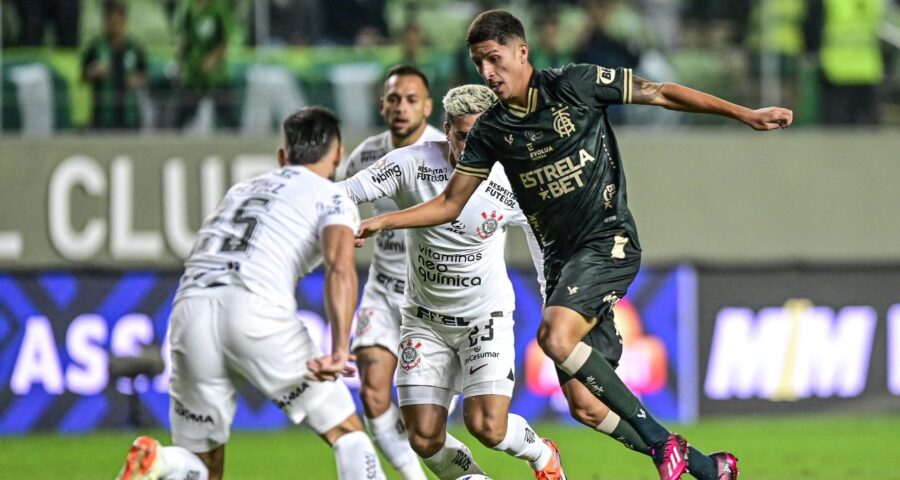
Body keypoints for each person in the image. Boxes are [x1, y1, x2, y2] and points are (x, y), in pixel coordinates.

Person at [357, 9, 793, 480]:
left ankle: (665, 442)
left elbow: (661, 92)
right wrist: (384, 221)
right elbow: (449, 203)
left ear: (521, 51)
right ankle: (709, 468)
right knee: (585, 406)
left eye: (494, 58)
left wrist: (743, 113)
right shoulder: (491, 130)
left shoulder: (577, 84)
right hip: (565, 264)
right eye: (478, 62)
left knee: (554, 336)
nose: (487, 71)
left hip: (608, 239)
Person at [115, 107, 386, 480]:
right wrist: (340, 349)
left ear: (281, 156)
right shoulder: (333, 195)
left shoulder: (240, 191)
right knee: (348, 435)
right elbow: (340, 268)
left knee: (203, 466)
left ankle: (164, 461)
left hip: (189, 310)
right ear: (337, 154)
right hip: (254, 309)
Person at [342, 84, 565, 480]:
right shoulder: (411, 163)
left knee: (487, 427)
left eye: (482, 134)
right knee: (424, 438)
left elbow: (543, 239)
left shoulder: (516, 176)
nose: (472, 145)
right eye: (463, 136)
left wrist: (553, 303)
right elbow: (346, 193)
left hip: (485, 317)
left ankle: (542, 454)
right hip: (424, 322)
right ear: (446, 129)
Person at [333, 64, 444, 480]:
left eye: (411, 100)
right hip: (383, 290)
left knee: (431, 422)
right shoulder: (365, 156)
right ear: (382, 105)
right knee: (374, 389)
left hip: (434, 296)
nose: (402, 107)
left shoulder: (445, 151)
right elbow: (339, 214)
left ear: (428, 107)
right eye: (394, 98)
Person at [81, 0, 147, 130]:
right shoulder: (95, 48)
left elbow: (144, 75)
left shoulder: (134, 48)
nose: (114, 26)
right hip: (102, 118)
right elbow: (83, 76)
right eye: (110, 21)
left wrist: (138, 80)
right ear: (104, 21)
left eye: (117, 21)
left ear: (124, 20)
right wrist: (93, 71)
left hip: (130, 118)